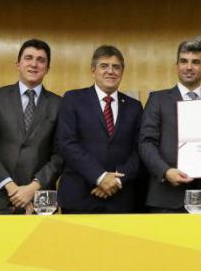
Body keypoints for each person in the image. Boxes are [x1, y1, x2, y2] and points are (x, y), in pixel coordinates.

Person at [139, 40, 201, 213]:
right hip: (166, 198)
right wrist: (165, 171)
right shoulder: (158, 100)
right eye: (184, 61)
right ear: (177, 66)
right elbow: (146, 143)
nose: (189, 67)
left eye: (195, 62)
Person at [0, 39, 63, 214]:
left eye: (41, 60)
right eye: (28, 58)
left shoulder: (59, 104)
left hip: (41, 197)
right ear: (18, 64)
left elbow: (60, 154)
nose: (34, 64)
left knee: (45, 234)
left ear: (47, 68)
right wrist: (10, 187)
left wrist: (33, 188)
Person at [57, 45, 143, 213]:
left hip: (120, 198)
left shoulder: (134, 107)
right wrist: (100, 177)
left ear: (122, 71)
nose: (110, 71)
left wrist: (115, 181)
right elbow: (67, 143)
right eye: (104, 66)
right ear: (93, 70)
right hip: (79, 197)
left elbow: (139, 151)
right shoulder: (73, 99)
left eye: (116, 67)